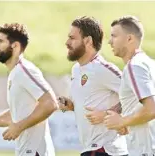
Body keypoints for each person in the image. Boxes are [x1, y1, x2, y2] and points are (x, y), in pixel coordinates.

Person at [0, 23, 58, 156]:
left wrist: (19, 127)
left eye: (0, 41)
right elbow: (15, 115)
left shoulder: (24, 70)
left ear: (15, 46)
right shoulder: (15, 73)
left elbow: (50, 103)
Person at [104, 15, 155, 156]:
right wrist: (132, 124)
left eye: (114, 36)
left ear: (129, 39)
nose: (109, 41)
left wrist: (122, 121)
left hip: (147, 152)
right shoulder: (153, 65)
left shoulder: (134, 66)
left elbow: (153, 110)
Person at [58, 16, 128, 156]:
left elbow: (135, 96)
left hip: (106, 149)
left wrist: (107, 114)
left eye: (72, 38)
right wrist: (71, 105)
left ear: (88, 41)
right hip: (89, 148)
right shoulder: (76, 69)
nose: (67, 42)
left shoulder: (103, 68)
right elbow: (89, 101)